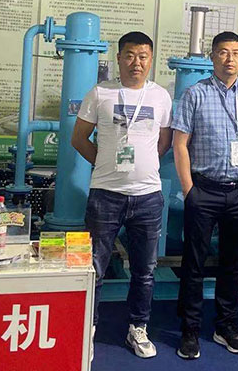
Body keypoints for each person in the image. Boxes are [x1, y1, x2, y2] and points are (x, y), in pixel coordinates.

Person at [71, 31, 173, 358]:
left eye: (143, 56)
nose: (136, 62)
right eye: (129, 55)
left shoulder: (160, 97)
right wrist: (104, 163)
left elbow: (164, 143)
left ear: (151, 60)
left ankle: (137, 327)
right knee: (95, 268)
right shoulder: (100, 93)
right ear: (118, 58)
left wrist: (143, 166)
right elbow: (79, 138)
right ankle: (88, 328)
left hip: (148, 197)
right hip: (106, 195)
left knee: (145, 270)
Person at [171, 31, 238, 360]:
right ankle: (190, 330)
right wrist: (189, 191)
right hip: (204, 191)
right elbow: (179, 144)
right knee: (194, 264)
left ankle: (226, 326)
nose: (230, 59)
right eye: (223, 52)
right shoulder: (194, 94)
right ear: (212, 57)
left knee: (232, 265)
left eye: (236, 53)